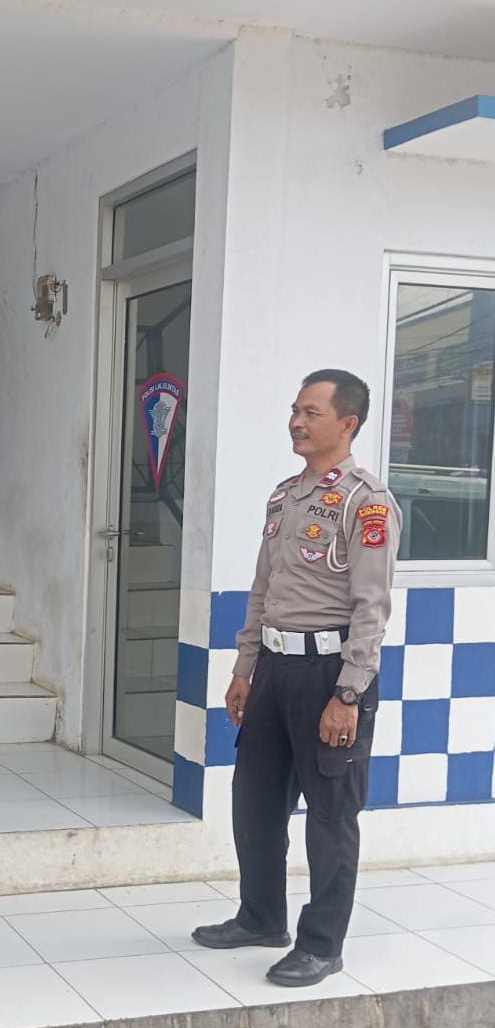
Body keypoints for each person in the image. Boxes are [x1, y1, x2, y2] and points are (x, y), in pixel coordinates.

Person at [194, 369, 401, 987]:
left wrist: (348, 693)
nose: (297, 422)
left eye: (312, 412)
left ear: (348, 423)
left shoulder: (367, 501)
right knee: (254, 802)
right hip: (275, 670)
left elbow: (371, 608)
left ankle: (321, 944)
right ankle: (260, 918)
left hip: (329, 675)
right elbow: (263, 588)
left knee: (330, 815)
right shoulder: (285, 496)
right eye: (295, 410)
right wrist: (245, 666)